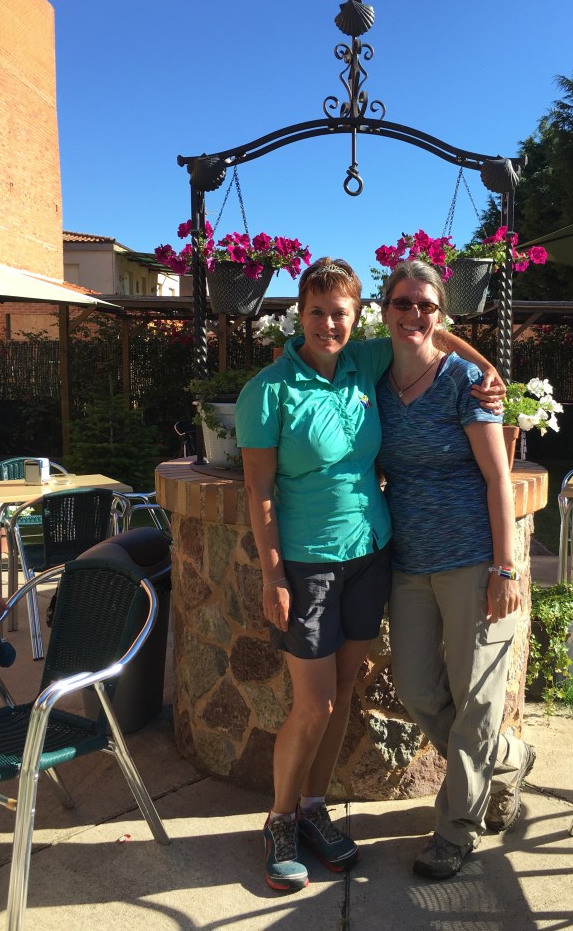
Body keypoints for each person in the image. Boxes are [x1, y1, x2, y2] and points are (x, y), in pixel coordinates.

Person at [235, 256, 503, 893]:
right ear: (299, 315)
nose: (329, 325)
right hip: (308, 563)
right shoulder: (267, 390)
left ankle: (314, 808)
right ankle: (279, 820)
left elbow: (431, 332)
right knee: (316, 702)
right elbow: (258, 491)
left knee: (344, 690)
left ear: (358, 318)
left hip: (373, 554)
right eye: (317, 313)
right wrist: (274, 576)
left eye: (340, 314)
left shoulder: (364, 362)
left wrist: (488, 369)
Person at [376, 260, 535, 881]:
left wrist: (505, 567)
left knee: (478, 698)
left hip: (472, 560)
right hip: (409, 562)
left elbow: (498, 479)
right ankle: (509, 756)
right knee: (417, 688)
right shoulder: (375, 376)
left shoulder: (465, 382)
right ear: (384, 311)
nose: (413, 315)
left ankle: (456, 829)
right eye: (403, 303)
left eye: (426, 305)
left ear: (441, 314)